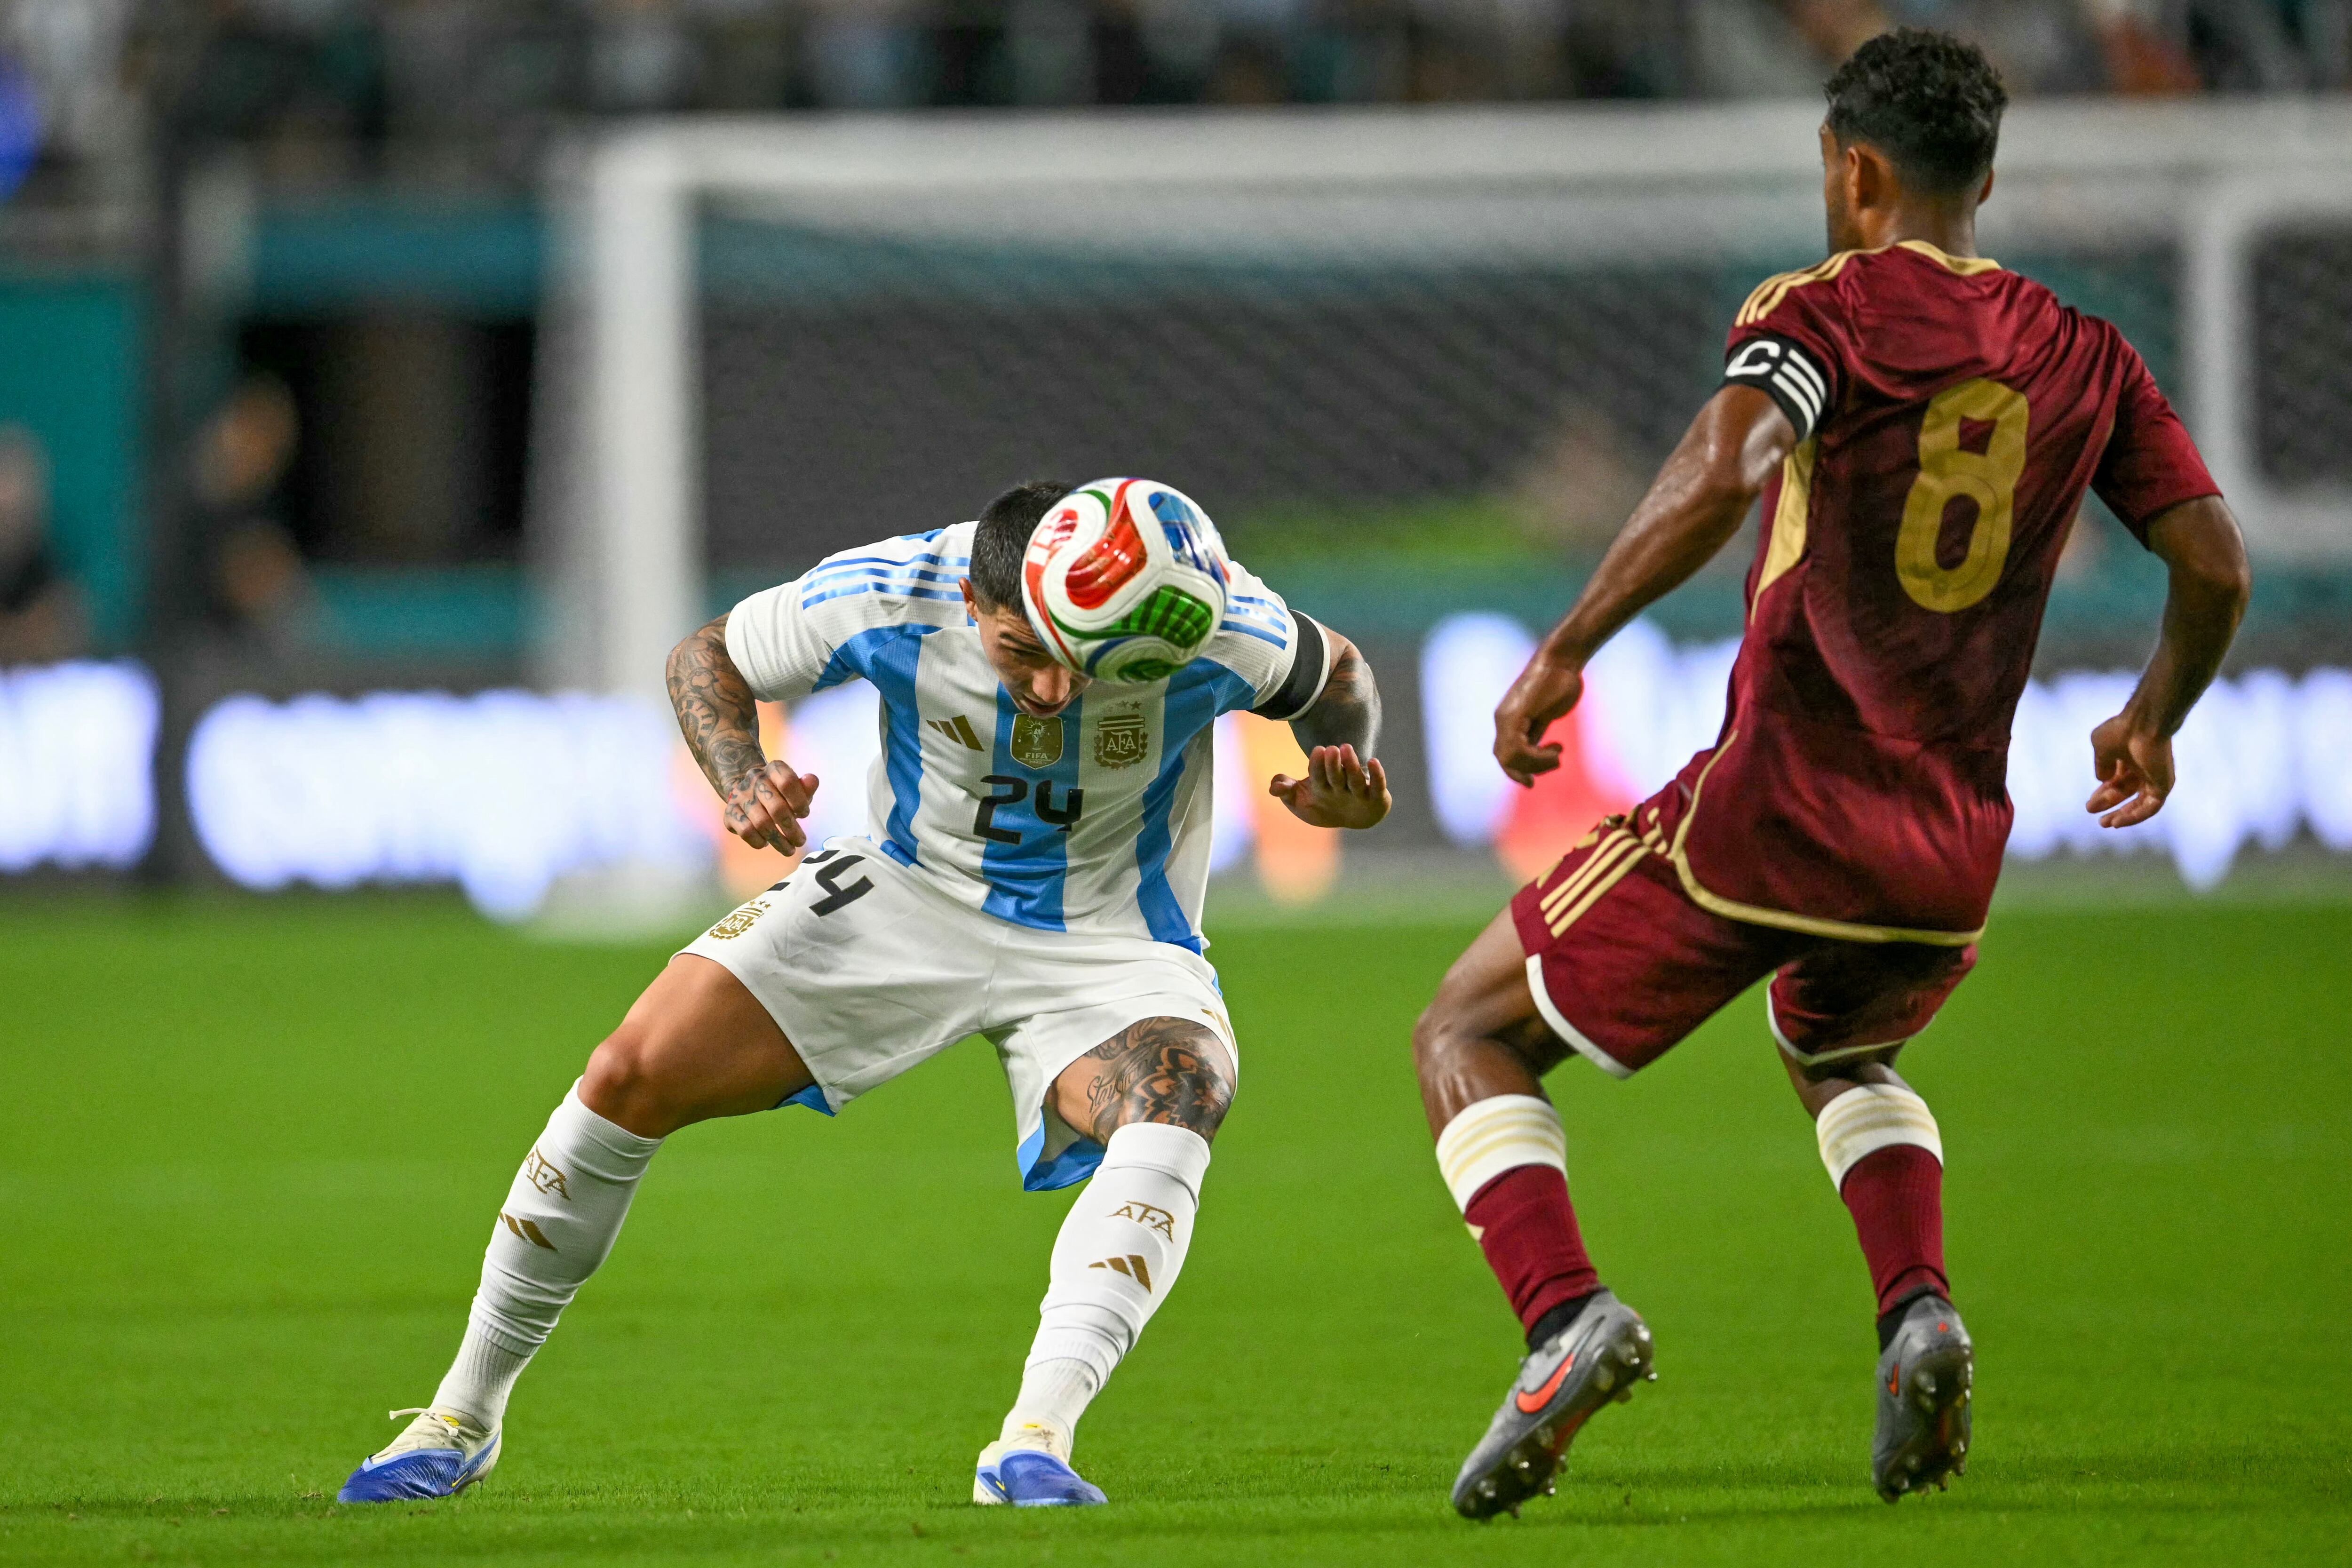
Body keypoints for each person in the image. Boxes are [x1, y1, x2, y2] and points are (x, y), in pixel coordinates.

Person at [1411, 28, 2248, 1520]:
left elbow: (1730, 463)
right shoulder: (2089, 350)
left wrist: (1567, 647)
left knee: (1464, 1029)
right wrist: (2157, 713)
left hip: (1776, 801)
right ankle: (1918, 1307)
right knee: (1841, 1051)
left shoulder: (1826, 310)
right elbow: (2215, 564)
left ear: (1854, 171)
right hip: (1946, 845)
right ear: (1985, 176)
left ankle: (1563, 1315)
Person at [336, 479, 1391, 1506]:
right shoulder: (893, 589)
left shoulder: (1207, 617)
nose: (1053, 688)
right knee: (628, 1072)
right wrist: (741, 774)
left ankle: (1034, 1441)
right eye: (1021, 653)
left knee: (1182, 1089)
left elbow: (1335, 672)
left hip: (1111, 937)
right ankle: (461, 1418)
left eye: (1076, 660)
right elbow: (708, 655)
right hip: (906, 891)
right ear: (975, 604)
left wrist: (1342, 767)